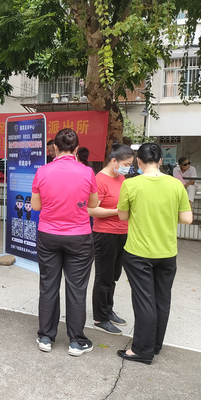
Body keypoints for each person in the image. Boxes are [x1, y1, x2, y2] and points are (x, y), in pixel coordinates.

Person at [116, 143, 193, 365]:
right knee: (162, 299)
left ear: (139, 161)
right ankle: (155, 345)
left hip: (138, 252)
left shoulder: (131, 184)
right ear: (160, 161)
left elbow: (122, 216)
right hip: (167, 252)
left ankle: (142, 350)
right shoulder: (176, 184)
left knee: (144, 301)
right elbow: (187, 219)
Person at [31, 128, 98, 356]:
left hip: (48, 234)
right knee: (77, 288)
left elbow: (36, 206)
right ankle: (76, 341)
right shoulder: (87, 172)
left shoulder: (42, 171)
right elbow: (93, 204)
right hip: (79, 236)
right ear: (76, 149)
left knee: (48, 285)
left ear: (55, 148)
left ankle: (46, 337)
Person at [88, 141, 135, 336]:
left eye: (130, 165)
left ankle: (108, 310)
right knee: (104, 276)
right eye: (125, 164)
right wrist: (118, 211)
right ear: (114, 161)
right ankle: (100, 318)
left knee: (114, 275)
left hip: (122, 232)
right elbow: (92, 210)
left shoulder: (120, 178)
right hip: (105, 234)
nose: (127, 168)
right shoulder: (100, 179)